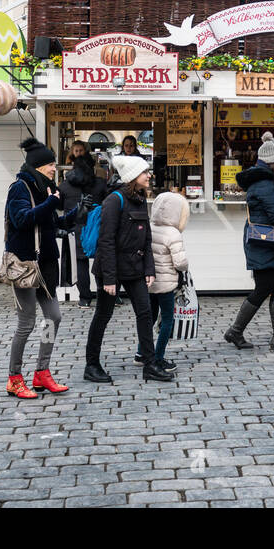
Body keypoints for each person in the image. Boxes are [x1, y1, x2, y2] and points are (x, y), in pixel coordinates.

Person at [84, 153, 173, 383]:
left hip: (134, 268)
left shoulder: (141, 199)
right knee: (103, 315)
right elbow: (106, 241)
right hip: (111, 269)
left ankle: (150, 364)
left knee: (145, 314)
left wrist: (149, 269)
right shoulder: (114, 200)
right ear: (133, 176)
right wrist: (110, 279)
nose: (149, 175)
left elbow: (146, 237)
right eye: (145, 172)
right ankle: (91, 364)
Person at [4, 138, 82, 399]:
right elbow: (22, 219)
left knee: (53, 317)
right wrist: (50, 204)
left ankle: (42, 372)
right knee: (25, 324)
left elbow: (48, 223)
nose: (54, 169)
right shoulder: (20, 188)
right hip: (25, 265)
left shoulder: (45, 189)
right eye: (50, 164)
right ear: (37, 166)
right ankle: (14, 377)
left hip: (47, 264)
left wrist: (71, 217)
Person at [224, 132, 274, 349]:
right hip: (265, 242)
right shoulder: (265, 183)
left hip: (267, 242)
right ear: (273, 162)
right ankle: (235, 331)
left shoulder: (263, 180)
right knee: (264, 287)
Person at [58, 140, 105, 305]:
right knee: (102, 261)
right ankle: (105, 296)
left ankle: (84, 299)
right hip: (96, 227)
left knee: (80, 262)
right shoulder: (100, 184)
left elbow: (59, 205)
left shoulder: (64, 186)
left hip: (75, 228)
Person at [149, 191, 191, 369]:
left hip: (149, 282)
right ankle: (158, 356)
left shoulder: (149, 226)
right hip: (166, 284)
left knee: (148, 319)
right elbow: (180, 263)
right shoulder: (173, 233)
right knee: (167, 320)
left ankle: (141, 352)